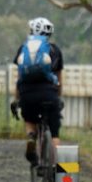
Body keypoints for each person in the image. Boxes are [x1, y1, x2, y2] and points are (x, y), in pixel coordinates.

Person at [11, 17, 65, 164]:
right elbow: (59, 80)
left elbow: (19, 78)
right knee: (54, 134)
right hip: (49, 93)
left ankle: (31, 137)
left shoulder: (23, 49)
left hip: (27, 93)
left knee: (29, 119)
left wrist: (16, 99)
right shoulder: (54, 50)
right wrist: (58, 98)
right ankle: (56, 168)